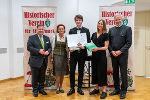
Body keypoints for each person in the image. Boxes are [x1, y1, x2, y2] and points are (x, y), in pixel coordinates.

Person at [108, 14, 132, 99]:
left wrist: (120, 51)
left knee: (123, 73)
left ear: (122, 19)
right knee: (115, 73)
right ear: (114, 20)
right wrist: (112, 51)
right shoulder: (111, 30)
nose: (117, 21)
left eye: (119, 19)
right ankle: (117, 89)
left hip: (122, 55)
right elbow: (108, 43)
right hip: (113, 55)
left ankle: (123, 91)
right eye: (116, 19)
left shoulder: (127, 29)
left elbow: (129, 43)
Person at [67, 14, 91, 96]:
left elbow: (88, 42)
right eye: (77, 20)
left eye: (80, 20)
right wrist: (70, 48)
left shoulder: (86, 30)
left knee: (81, 71)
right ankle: (72, 88)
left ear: (82, 21)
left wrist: (84, 46)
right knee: (72, 71)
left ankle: (79, 88)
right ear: (75, 21)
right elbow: (69, 42)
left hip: (82, 54)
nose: (78, 21)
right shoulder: (71, 30)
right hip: (73, 54)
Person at [27, 24, 52, 97]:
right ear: (37, 30)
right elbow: (29, 47)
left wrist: (48, 51)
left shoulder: (47, 38)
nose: (41, 30)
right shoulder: (32, 38)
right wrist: (38, 51)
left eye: (42, 29)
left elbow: (50, 47)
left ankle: (41, 89)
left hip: (44, 61)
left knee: (42, 76)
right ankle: (35, 90)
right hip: (35, 61)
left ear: (44, 30)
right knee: (35, 77)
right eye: (39, 29)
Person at [89, 19, 109, 99]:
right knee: (95, 72)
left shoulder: (105, 35)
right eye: (99, 23)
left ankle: (104, 90)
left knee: (102, 72)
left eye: (101, 24)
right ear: (97, 24)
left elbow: (106, 47)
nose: (100, 25)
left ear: (103, 25)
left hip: (102, 56)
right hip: (94, 56)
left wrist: (97, 48)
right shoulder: (93, 34)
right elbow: (91, 44)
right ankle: (97, 89)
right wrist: (89, 48)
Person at [51, 24, 69, 94]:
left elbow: (67, 49)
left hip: (64, 56)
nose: (61, 30)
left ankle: (61, 87)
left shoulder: (66, 37)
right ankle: (57, 87)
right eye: (60, 29)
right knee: (58, 73)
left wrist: (68, 58)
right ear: (57, 30)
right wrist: (52, 57)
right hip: (56, 56)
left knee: (63, 73)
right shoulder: (54, 37)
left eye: (62, 29)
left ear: (64, 30)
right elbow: (52, 49)